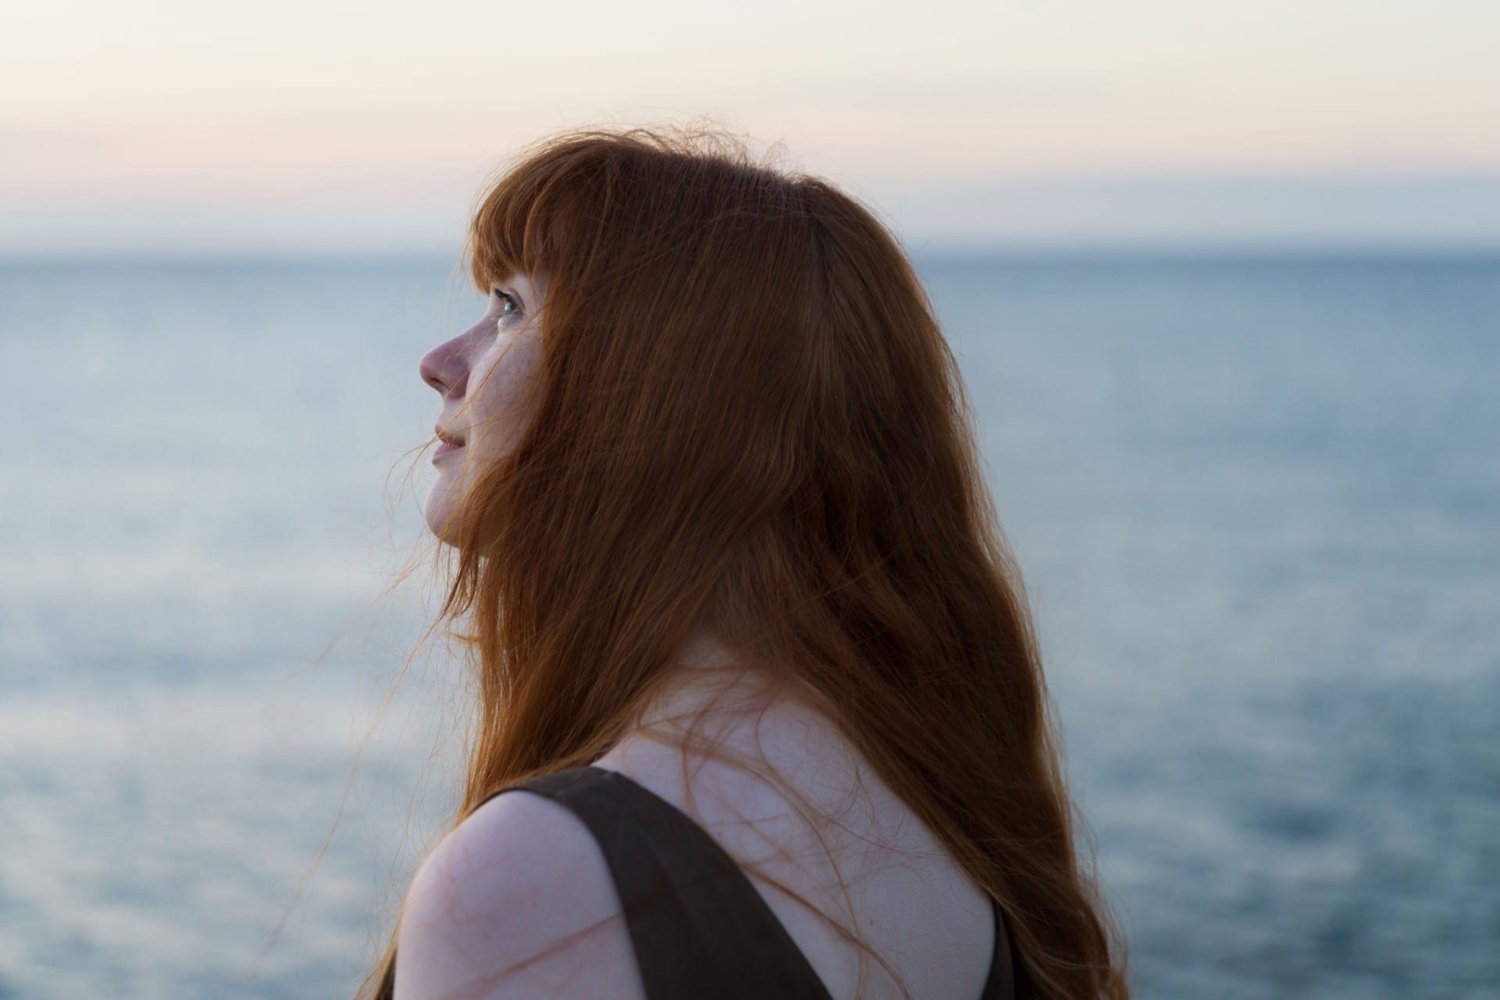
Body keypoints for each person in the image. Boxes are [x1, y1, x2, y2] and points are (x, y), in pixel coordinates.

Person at [360, 126, 1128, 999]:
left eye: (510, 306)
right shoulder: (945, 823)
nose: (439, 364)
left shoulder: (538, 881)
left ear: (653, 393)